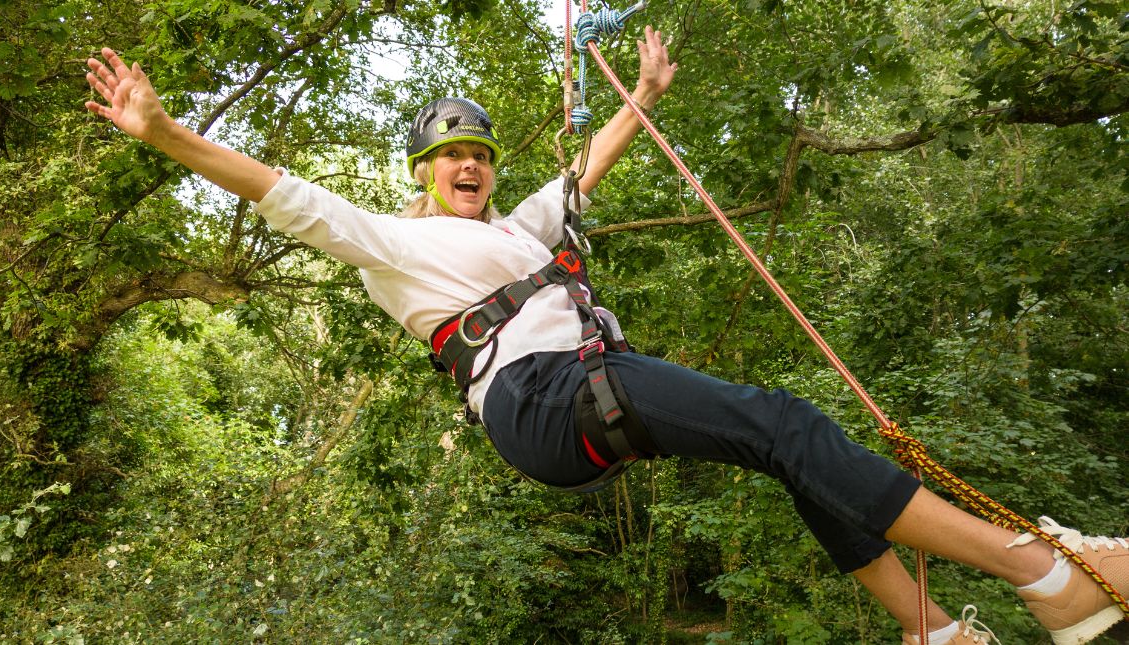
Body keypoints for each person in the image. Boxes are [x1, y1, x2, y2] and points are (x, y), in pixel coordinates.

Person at [84, 26, 1127, 645]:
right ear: (419, 171)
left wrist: (645, 94)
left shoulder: (518, 227)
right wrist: (166, 134)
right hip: (540, 400)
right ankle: (1037, 575)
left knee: (787, 451)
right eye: (448, 152)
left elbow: (584, 172)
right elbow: (287, 196)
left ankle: (927, 628)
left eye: (477, 151)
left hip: (582, 389)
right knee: (781, 420)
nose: (467, 162)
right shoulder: (395, 244)